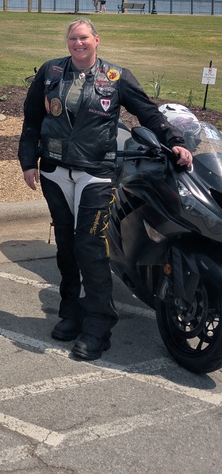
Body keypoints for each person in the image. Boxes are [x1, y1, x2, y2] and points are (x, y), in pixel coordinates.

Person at [18, 18, 193, 362]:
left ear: (96, 40)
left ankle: (98, 326)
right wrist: (28, 161)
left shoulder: (116, 77)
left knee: (91, 247)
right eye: (73, 38)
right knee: (66, 245)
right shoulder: (51, 72)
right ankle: (71, 311)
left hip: (95, 173)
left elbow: (148, 113)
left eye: (84, 37)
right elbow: (31, 120)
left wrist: (174, 140)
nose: (78, 43)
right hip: (54, 171)